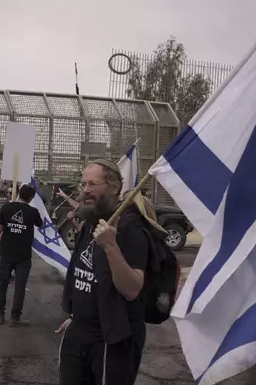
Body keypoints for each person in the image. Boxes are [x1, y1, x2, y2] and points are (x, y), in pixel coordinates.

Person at [55, 159, 153, 385]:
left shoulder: (131, 226)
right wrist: (75, 316)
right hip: (78, 331)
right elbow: (80, 272)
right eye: (83, 184)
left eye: (92, 184)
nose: (85, 190)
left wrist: (111, 246)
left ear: (114, 187)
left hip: (112, 339)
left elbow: (132, 289)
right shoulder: (92, 218)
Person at [0, 184, 42, 327]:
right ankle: (15, 317)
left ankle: (0, 315)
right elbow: (40, 224)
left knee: (3, 282)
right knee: (20, 286)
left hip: (7, 253)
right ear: (31, 197)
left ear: (19, 194)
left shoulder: (6, 208)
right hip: (23, 256)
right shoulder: (33, 212)